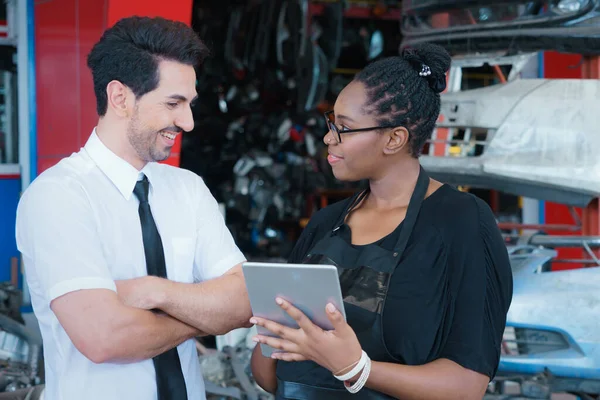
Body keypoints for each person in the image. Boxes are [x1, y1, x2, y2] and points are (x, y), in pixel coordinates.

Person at [249, 43, 514, 399]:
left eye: (344, 127)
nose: (329, 138)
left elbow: (468, 386)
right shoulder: (326, 223)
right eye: (332, 123)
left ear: (394, 138)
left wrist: (357, 368)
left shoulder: (462, 222)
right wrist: (274, 331)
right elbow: (269, 376)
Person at [15, 16, 252, 400]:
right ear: (120, 98)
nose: (187, 122)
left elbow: (243, 301)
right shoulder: (58, 196)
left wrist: (153, 291)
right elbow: (105, 337)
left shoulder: (188, 189)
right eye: (173, 104)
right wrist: (204, 315)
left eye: (189, 105)